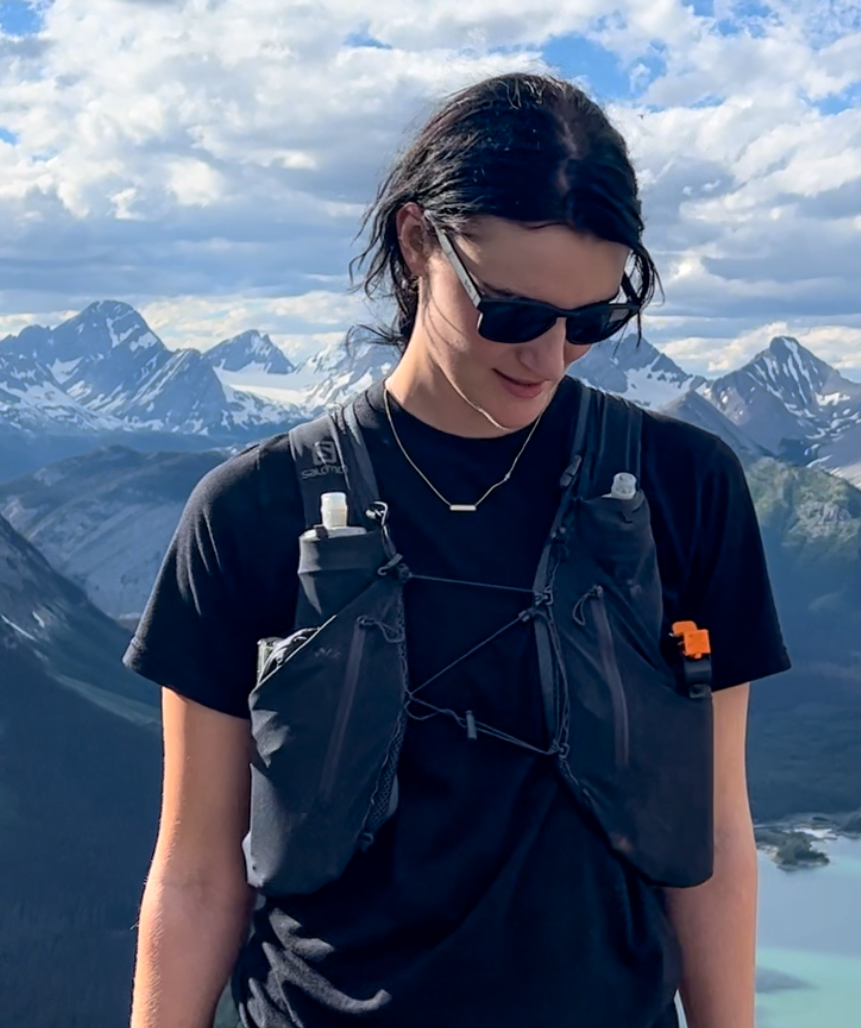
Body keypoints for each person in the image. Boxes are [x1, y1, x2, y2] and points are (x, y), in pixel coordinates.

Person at [125, 72, 790, 1028]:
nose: (549, 357)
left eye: (594, 321)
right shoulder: (247, 513)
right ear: (416, 242)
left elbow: (716, 829)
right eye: (513, 313)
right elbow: (195, 871)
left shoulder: (688, 489)